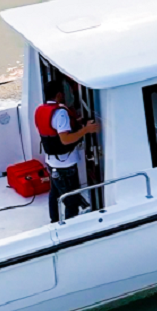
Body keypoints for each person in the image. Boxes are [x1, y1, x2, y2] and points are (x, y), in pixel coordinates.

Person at [34, 86, 100, 222]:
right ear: (58, 95)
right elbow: (65, 139)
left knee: (55, 193)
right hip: (66, 163)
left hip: (51, 161)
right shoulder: (60, 113)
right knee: (71, 201)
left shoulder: (41, 110)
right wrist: (86, 130)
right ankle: (70, 227)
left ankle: (54, 220)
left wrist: (79, 123)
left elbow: (54, 129)